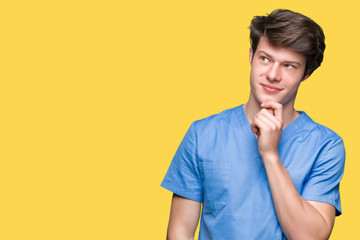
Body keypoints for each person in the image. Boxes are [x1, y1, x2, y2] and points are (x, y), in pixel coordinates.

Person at [161, 9, 345, 240]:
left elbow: (310, 237)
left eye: (289, 66)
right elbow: (180, 231)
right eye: (265, 59)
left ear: (306, 73)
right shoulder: (202, 134)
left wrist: (270, 155)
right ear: (251, 55)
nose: (272, 75)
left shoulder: (326, 145)